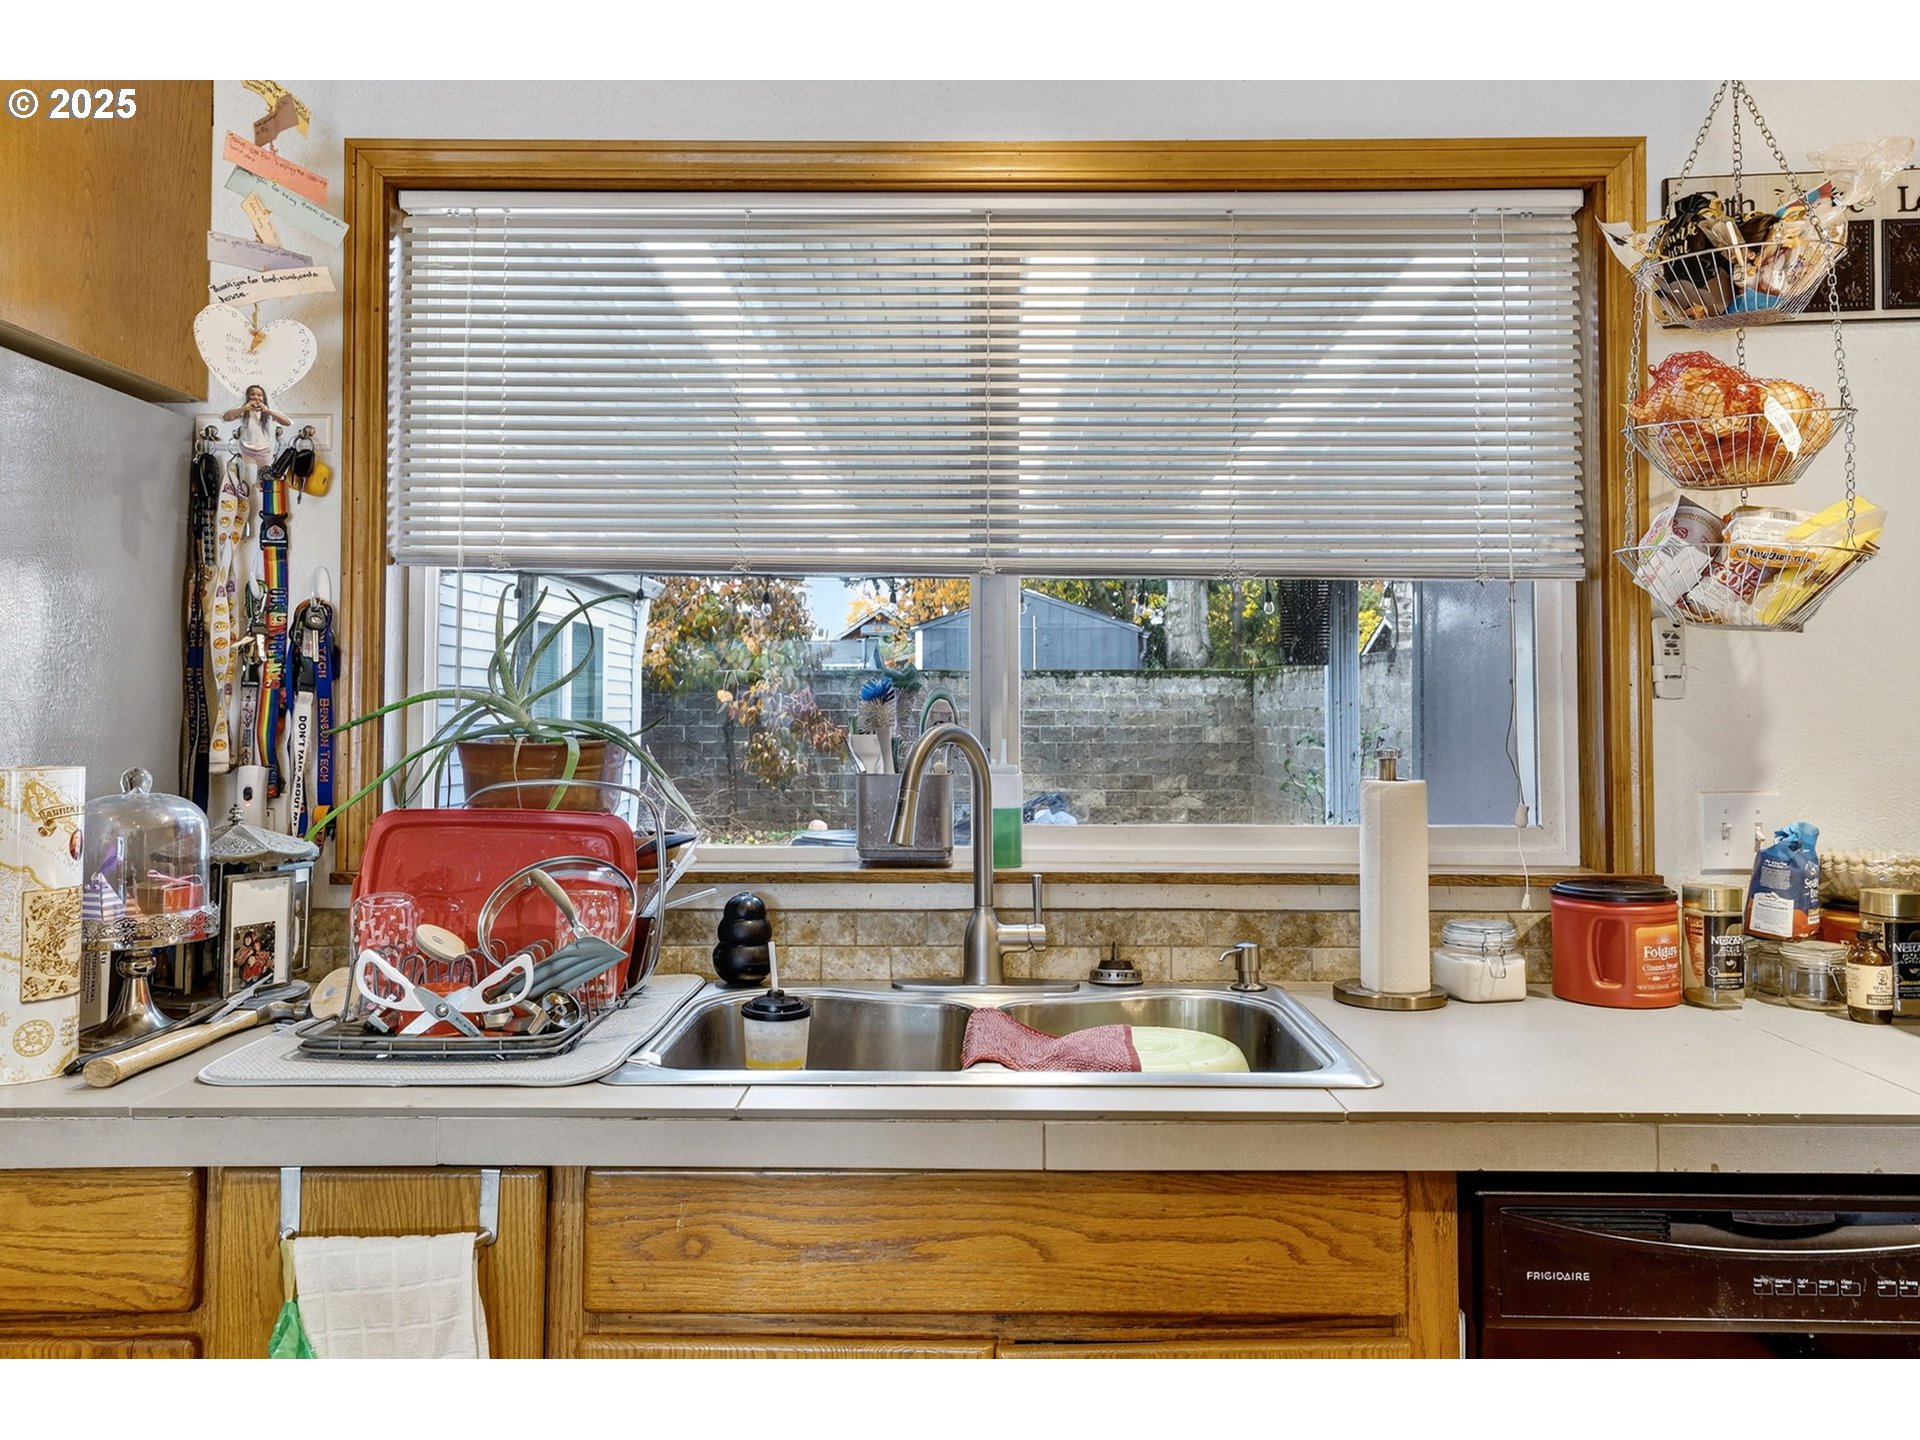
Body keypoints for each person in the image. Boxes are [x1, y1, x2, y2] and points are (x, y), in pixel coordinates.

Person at [222, 385, 291, 468]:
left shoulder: (268, 412)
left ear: (264, 398)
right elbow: (226, 417)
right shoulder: (243, 411)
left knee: (265, 478)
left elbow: (287, 422)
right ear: (247, 397)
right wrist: (244, 408)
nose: (256, 397)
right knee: (250, 478)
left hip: (265, 451)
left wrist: (268, 411)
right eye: (252, 394)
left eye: (259, 395)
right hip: (247, 451)